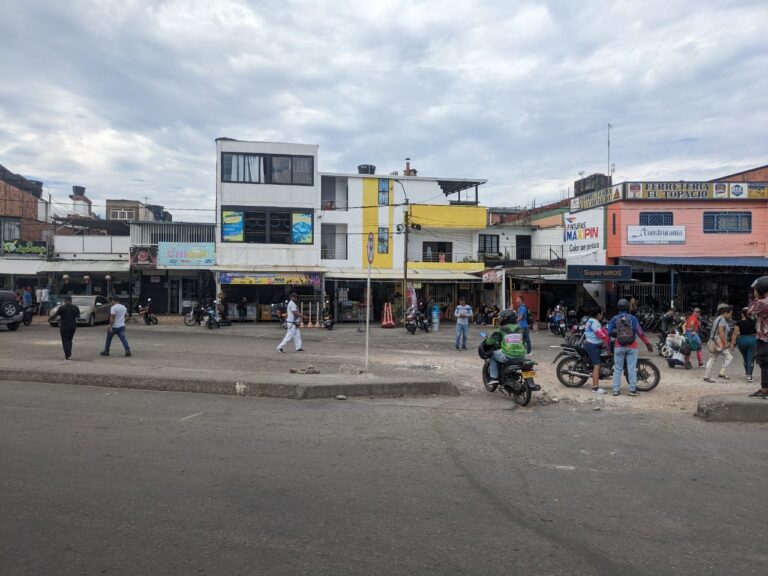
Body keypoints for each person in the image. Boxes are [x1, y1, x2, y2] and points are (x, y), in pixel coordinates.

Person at [606, 299, 653, 397]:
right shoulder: (633, 319)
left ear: (618, 308)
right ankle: (632, 390)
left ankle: (616, 390)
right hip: (632, 346)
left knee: (617, 369)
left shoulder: (614, 319)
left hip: (618, 346)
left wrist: (608, 347)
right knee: (632, 369)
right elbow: (640, 332)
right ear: (628, 308)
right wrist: (647, 344)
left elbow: (608, 333)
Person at [483, 310, 541, 390]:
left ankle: (494, 378)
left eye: (501, 318)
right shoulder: (520, 328)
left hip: (508, 355)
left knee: (492, 355)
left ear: (505, 319)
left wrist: (486, 342)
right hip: (521, 355)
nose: (500, 319)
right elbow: (524, 340)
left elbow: (490, 341)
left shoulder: (502, 329)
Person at [747, 276, 768, 398]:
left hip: (765, 339)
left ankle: (765, 389)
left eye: (755, 290)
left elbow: (750, 311)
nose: (754, 292)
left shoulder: (762, 302)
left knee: (764, 362)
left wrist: (755, 299)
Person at [703, 304, 733, 383]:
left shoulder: (718, 318)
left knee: (714, 357)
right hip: (718, 342)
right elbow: (721, 332)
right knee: (725, 357)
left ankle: (714, 374)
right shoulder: (722, 319)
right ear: (725, 313)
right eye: (730, 314)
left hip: (715, 341)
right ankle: (709, 375)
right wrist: (725, 343)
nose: (730, 316)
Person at [583, 308, 610, 394]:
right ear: (598, 315)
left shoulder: (590, 320)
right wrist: (606, 339)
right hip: (593, 345)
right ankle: (595, 388)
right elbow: (599, 333)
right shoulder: (595, 322)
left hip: (590, 343)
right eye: (601, 314)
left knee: (599, 363)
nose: (602, 315)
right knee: (597, 365)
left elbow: (602, 330)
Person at [730, 307, 756, 382]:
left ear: (742, 314)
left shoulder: (738, 322)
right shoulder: (755, 322)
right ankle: (749, 375)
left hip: (742, 340)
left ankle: (747, 372)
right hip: (752, 340)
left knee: (745, 358)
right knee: (750, 358)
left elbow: (735, 334)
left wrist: (732, 344)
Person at [51, 295, 80, 360]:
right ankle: (68, 354)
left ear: (65, 300)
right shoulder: (75, 307)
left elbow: (55, 315)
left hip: (64, 326)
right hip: (73, 326)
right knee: (70, 340)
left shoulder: (62, 307)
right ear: (71, 300)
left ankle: (68, 354)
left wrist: (49, 319)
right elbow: (78, 316)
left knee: (65, 340)